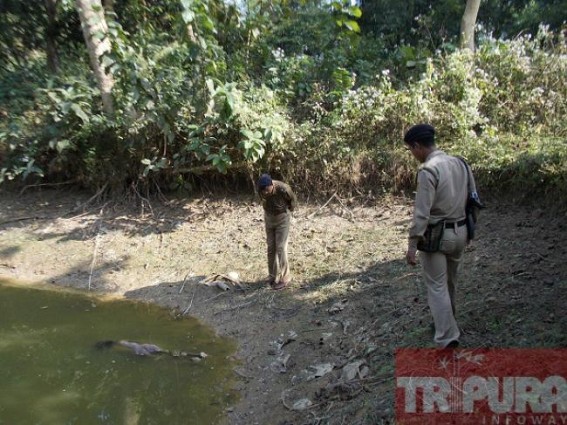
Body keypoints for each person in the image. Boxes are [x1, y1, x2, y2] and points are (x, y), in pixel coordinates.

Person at [403, 124, 479, 349]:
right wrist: (470, 231)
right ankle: (447, 322)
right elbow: (473, 201)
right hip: (461, 231)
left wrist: (412, 244)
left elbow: (421, 213)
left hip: (437, 236)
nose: (412, 155)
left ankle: (447, 336)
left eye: (411, 150)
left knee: (437, 286)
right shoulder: (461, 163)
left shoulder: (428, 170)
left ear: (417, 146)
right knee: (450, 282)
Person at [257, 173, 297, 290]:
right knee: (271, 248)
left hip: (282, 219)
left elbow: (293, 200)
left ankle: (285, 277)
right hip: (269, 219)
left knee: (281, 247)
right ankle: (272, 276)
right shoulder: (260, 190)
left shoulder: (283, 188)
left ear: (272, 185)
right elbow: (261, 200)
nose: (265, 192)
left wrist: (286, 212)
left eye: (267, 189)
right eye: (262, 190)